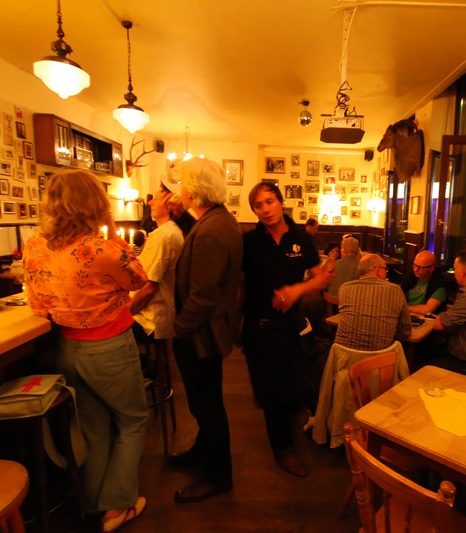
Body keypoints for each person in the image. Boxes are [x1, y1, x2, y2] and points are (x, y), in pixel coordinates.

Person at [22, 171, 149, 533]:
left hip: (67, 347)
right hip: (109, 348)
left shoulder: (35, 246)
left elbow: (36, 302)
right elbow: (138, 279)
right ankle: (117, 505)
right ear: (95, 204)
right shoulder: (101, 249)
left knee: (94, 427)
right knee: (133, 420)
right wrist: (112, 231)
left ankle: (94, 502)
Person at [242, 181, 330, 478]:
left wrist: (296, 290)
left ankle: (288, 435)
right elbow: (238, 283)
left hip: (292, 327)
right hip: (259, 328)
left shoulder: (300, 238)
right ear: (254, 211)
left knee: (297, 387)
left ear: (280, 202)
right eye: (258, 205)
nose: (265, 209)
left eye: (269, 201)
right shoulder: (249, 241)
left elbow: (320, 278)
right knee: (271, 394)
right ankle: (283, 449)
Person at [169, 158, 243, 503]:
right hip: (206, 331)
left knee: (208, 406)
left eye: (183, 183)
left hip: (200, 334)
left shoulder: (212, 229)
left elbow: (202, 296)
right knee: (204, 403)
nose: (180, 189)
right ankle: (203, 453)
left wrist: (178, 328)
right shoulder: (217, 220)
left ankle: (218, 476)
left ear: (194, 189)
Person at [128, 184, 184, 364]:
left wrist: (124, 314)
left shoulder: (163, 237)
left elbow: (149, 289)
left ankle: (142, 370)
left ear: (169, 206)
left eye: (156, 199)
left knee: (104, 332)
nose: (150, 203)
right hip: (160, 314)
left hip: (149, 320)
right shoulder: (170, 232)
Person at [334, 253, 412, 352]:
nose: (386, 273)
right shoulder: (395, 290)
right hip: (379, 358)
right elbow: (405, 331)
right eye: (385, 269)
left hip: (343, 355)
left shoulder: (344, 288)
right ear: (377, 270)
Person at [298, 255, 337, 427]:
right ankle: (319, 410)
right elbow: (320, 330)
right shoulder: (314, 298)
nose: (335, 275)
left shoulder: (306, 290)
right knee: (332, 355)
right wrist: (335, 336)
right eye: (331, 271)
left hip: (302, 343)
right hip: (309, 346)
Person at [401, 250, 449, 315]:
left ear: (431, 268)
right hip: (406, 314)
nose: (416, 269)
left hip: (426, 318)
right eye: (414, 265)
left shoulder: (440, 282)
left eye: (420, 267)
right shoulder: (410, 275)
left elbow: (427, 310)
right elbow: (399, 296)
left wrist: (404, 307)